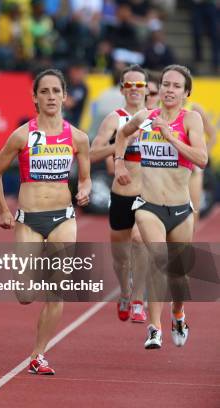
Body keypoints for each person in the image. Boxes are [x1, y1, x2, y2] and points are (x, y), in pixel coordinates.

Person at [0, 69, 91, 375]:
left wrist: (85, 190)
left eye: (55, 91)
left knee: (58, 290)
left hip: (63, 218)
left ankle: (38, 354)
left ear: (65, 96)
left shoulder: (78, 137)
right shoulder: (22, 135)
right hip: (29, 219)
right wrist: (3, 211)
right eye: (44, 91)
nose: (50, 97)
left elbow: (85, 179)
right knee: (24, 295)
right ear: (34, 97)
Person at [114, 64, 207, 350]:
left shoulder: (191, 120)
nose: (169, 89)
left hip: (180, 210)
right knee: (158, 257)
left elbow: (202, 159)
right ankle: (154, 328)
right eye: (165, 84)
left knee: (179, 277)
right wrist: (119, 162)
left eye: (176, 86)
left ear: (186, 92)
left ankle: (178, 313)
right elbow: (121, 134)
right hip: (148, 205)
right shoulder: (145, 117)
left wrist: (170, 136)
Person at [90, 65, 148, 323]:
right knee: (121, 257)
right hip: (121, 194)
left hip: (149, 194)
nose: (135, 90)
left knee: (139, 240)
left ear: (147, 89)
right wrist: (121, 143)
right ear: (122, 89)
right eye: (130, 85)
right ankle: (125, 293)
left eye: (140, 85)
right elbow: (92, 154)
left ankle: (138, 299)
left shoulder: (156, 118)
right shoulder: (115, 118)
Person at [185, 100, 216, 226]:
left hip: (192, 169)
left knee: (193, 209)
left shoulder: (194, 109)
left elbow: (213, 135)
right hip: (170, 168)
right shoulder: (159, 109)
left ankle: (189, 242)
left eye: (177, 86)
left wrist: (201, 156)